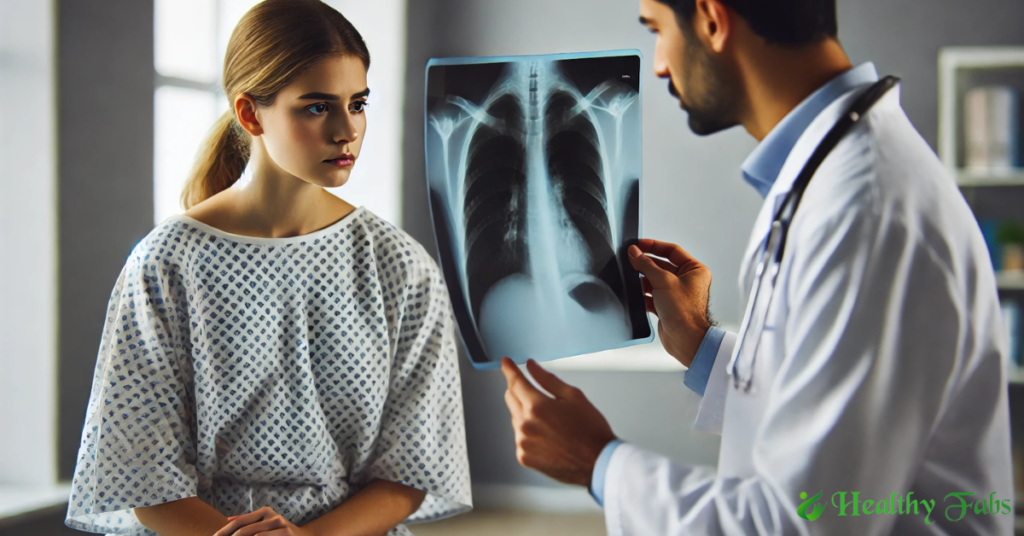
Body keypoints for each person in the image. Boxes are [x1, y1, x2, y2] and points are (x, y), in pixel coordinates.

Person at [501, 0, 1013, 534]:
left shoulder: (863, 210)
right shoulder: (830, 174)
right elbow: (826, 405)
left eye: (657, 30)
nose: (657, 64)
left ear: (712, 19)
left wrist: (598, 462)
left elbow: (799, 524)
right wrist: (701, 344)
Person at [64, 1, 471, 535]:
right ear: (251, 113)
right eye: (317, 107)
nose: (348, 130)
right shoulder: (165, 265)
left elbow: (411, 469)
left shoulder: (401, 267)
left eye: (358, 103)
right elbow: (141, 473)